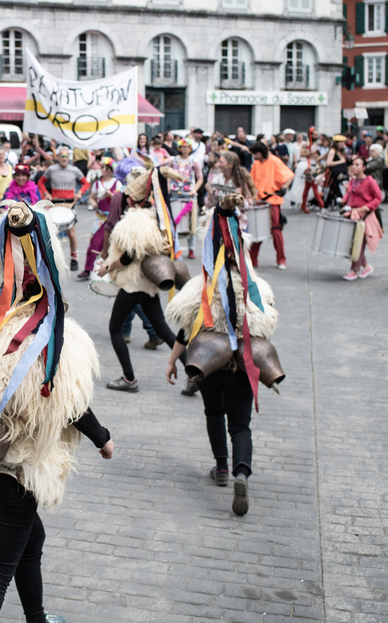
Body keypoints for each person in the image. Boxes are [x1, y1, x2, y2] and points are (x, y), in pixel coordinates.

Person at [0, 202, 113, 623]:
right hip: (18, 466)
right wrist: (102, 438)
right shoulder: (55, 337)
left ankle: (37, 617)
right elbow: (68, 405)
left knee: (32, 540)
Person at [165, 194, 279, 516]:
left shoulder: (198, 288)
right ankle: (242, 473)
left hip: (207, 364)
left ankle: (221, 468)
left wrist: (172, 360)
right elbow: (264, 330)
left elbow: (185, 331)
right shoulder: (258, 287)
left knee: (214, 413)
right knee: (240, 425)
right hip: (243, 365)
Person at [98, 167, 183, 393]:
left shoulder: (134, 221)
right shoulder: (155, 218)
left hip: (133, 283)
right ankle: (195, 374)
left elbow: (129, 257)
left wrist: (107, 267)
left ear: (131, 199)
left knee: (115, 329)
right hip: (148, 282)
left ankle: (129, 379)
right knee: (163, 330)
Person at [37, 147, 87, 271]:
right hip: (55, 204)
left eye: (66, 156)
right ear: (58, 157)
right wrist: (46, 193)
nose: (64, 159)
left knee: (71, 233)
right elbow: (40, 182)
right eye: (62, 156)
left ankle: (74, 259)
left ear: (69, 158)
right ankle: (51, 259)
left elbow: (86, 183)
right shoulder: (51, 169)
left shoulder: (75, 170)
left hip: (70, 204)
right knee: (52, 233)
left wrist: (80, 192)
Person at [248, 141, 294, 270]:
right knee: (257, 231)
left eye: (255, 154)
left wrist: (284, 187)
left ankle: (281, 260)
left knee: (276, 230)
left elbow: (290, 175)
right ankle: (252, 260)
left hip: (273, 200)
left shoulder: (275, 161)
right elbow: (251, 182)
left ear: (260, 153)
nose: (253, 156)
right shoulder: (256, 164)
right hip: (259, 201)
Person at [340, 156, 383, 281]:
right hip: (353, 214)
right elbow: (349, 195)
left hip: (365, 216)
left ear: (364, 167)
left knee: (358, 242)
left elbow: (378, 198)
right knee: (354, 242)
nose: (354, 166)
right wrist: (343, 200)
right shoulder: (352, 181)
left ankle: (354, 269)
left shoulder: (370, 182)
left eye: (358, 164)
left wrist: (367, 207)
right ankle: (366, 266)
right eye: (354, 164)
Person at [78, 157, 120, 280]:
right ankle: (88, 268)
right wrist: (93, 203)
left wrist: (110, 195)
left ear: (110, 170)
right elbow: (91, 197)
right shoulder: (97, 183)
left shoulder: (117, 183)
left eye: (105, 168)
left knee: (113, 244)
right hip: (100, 217)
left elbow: (119, 200)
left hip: (113, 218)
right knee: (94, 242)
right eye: (102, 167)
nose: (103, 170)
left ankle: (112, 269)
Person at [169, 139, 204, 259]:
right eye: (183, 147)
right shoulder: (173, 160)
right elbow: (167, 174)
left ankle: (191, 249)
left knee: (191, 222)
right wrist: (168, 186)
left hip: (189, 193)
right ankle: (175, 248)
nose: (185, 149)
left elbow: (200, 178)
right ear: (179, 148)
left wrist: (195, 189)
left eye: (187, 147)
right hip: (175, 192)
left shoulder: (194, 161)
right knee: (175, 221)